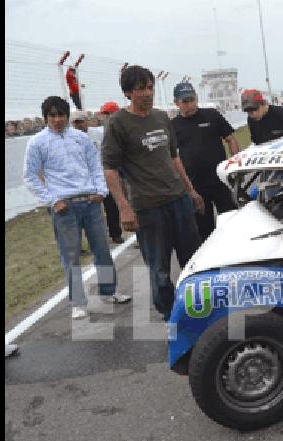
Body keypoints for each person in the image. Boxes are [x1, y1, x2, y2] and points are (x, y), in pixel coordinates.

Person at [102, 65, 207, 320]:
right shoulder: (118, 123)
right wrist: (124, 208)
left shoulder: (161, 118)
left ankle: (198, 308)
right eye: (140, 89)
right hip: (148, 207)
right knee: (159, 270)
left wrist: (191, 190)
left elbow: (173, 157)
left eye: (150, 87)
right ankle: (170, 314)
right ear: (128, 93)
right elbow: (109, 169)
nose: (147, 93)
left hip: (179, 200)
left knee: (193, 260)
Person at [23, 96, 132, 321]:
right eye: (52, 116)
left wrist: (100, 192)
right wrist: (53, 200)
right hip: (63, 207)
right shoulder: (37, 142)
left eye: (61, 114)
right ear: (46, 118)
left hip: (90, 202)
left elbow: (95, 165)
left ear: (67, 115)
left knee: (102, 249)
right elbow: (30, 177)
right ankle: (77, 303)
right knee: (70, 255)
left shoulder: (80, 138)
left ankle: (109, 291)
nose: (57, 120)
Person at [170, 82, 242, 241]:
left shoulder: (212, 115)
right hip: (196, 185)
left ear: (196, 98)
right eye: (185, 101)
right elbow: (172, 157)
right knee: (204, 229)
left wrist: (235, 165)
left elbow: (230, 139)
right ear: (176, 103)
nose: (189, 104)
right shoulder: (173, 125)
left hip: (220, 180)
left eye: (191, 99)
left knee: (231, 220)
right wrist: (186, 186)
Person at [71, 110, 124, 244]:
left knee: (111, 206)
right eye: (76, 122)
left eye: (81, 121)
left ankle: (115, 234)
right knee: (88, 210)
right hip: (84, 179)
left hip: (102, 175)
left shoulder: (99, 134)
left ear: (86, 121)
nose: (79, 125)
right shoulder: (70, 138)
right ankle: (93, 239)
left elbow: (107, 151)